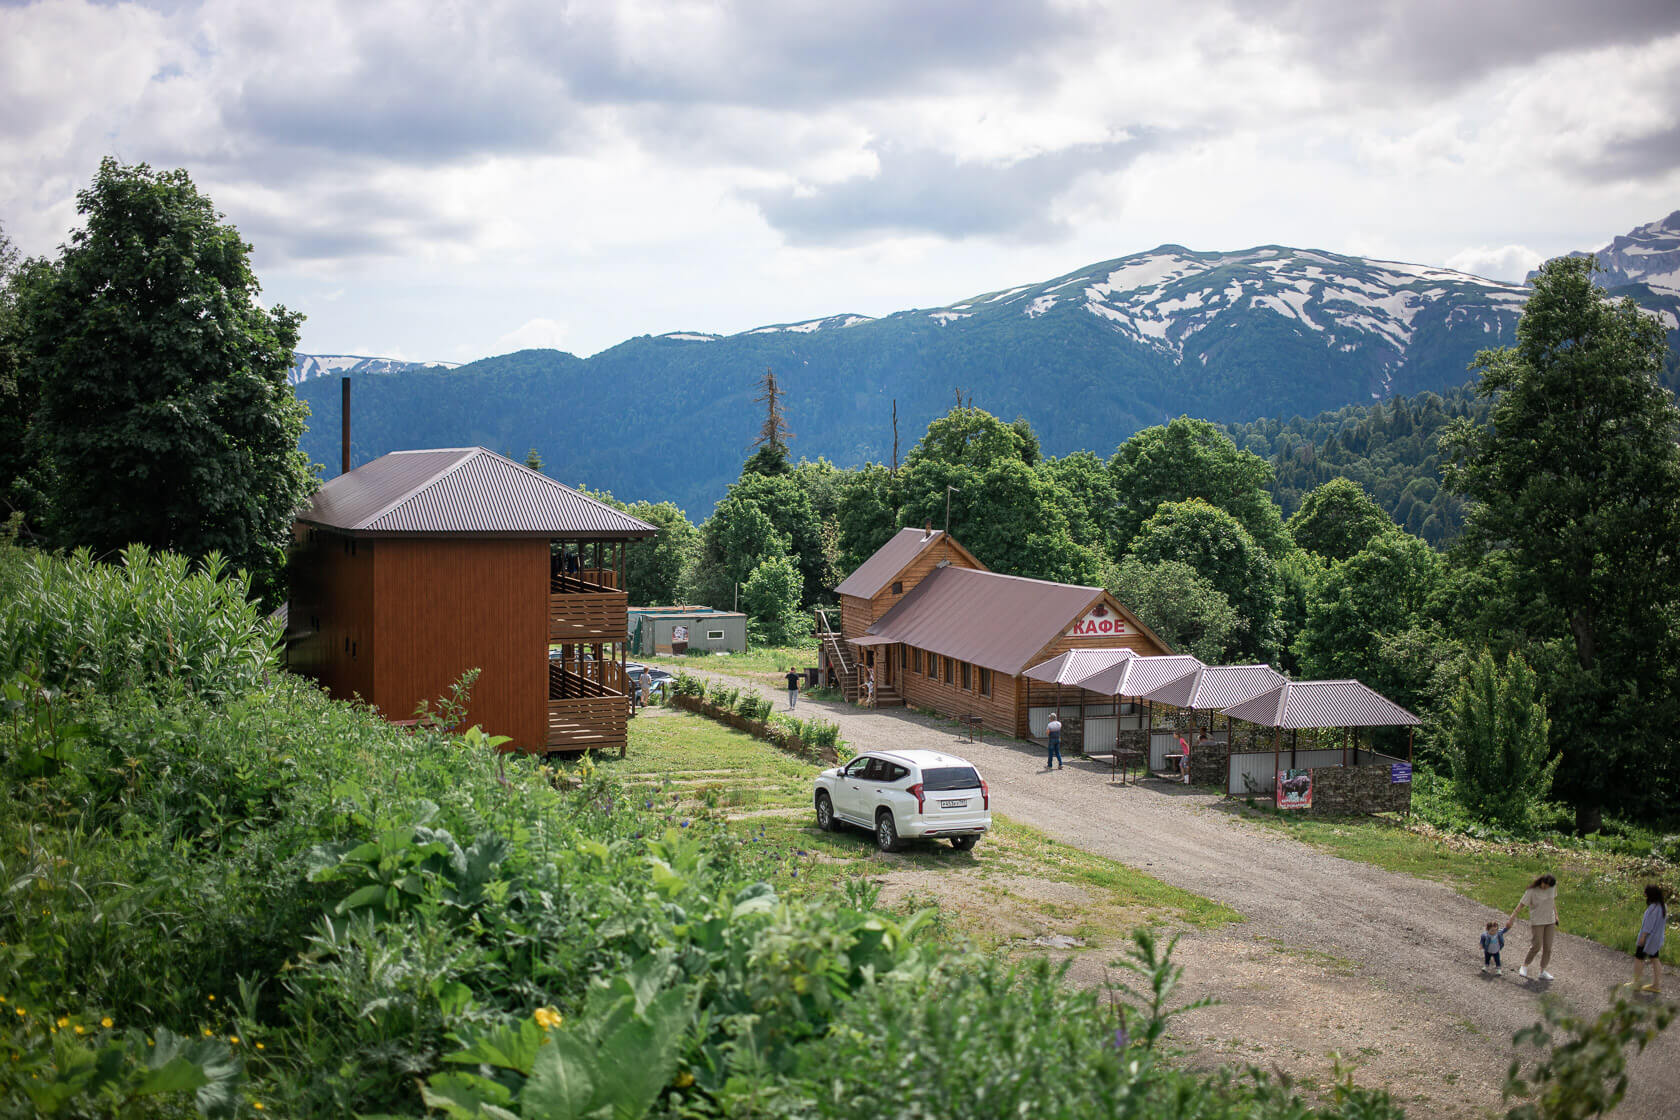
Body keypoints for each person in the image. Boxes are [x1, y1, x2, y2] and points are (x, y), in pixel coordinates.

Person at [1509, 872, 1559, 980]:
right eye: (1544, 885)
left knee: (1548, 947)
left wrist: (1556, 915)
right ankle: (1525, 966)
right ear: (1541, 881)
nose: (1546, 888)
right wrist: (1511, 919)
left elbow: (1552, 901)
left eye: (1548, 887)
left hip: (1550, 920)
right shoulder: (1531, 891)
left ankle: (1542, 971)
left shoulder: (1552, 887)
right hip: (1537, 921)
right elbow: (1521, 905)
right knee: (1537, 945)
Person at [1629, 883, 1667, 994]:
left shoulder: (1652, 908)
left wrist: (1643, 937)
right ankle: (1656, 985)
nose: (1644, 894)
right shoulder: (1663, 906)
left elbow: (1648, 926)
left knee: (1638, 958)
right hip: (1657, 939)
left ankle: (1637, 983)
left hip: (1648, 939)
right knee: (1655, 959)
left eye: (1646, 892)